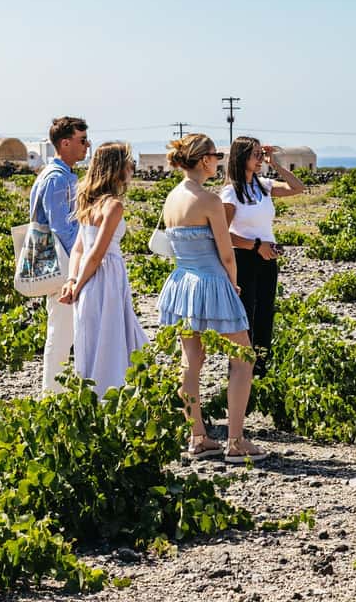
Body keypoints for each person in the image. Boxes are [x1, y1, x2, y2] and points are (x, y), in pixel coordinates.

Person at [157, 134, 266, 463]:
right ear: (203, 160)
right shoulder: (209, 200)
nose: (218, 159)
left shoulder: (172, 197)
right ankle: (235, 440)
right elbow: (227, 253)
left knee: (191, 360)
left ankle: (198, 436)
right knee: (243, 356)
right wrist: (232, 286)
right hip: (211, 281)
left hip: (182, 282)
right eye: (215, 155)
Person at [58, 142, 149, 396]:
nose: (132, 168)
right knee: (111, 336)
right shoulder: (113, 206)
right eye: (129, 162)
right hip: (106, 276)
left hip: (88, 276)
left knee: (92, 338)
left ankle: (94, 396)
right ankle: (111, 394)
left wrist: (73, 280)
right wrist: (77, 284)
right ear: (117, 168)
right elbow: (96, 253)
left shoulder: (88, 203)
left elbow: (79, 249)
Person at [221, 137, 306, 377]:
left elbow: (298, 188)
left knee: (265, 314)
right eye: (255, 154)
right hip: (244, 258)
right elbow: (223, 234)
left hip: (267, 259)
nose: (260, 159)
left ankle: (260, 370)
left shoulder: (263, 185)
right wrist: (256, 245)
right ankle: (239, 371)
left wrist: (275, 163)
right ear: (241, 158)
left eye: (261, 154)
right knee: (246, 315)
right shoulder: (230, 192)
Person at [30, 116, 89, 392]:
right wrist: (80, 266)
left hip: (58, 261)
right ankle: (53, 395)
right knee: (61, 330)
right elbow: (63, 229)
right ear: (64, 143)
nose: (86, 145)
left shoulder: (55, 175)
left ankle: (58, 392)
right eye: (81, 140)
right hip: (62, 262)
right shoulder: (57, 179)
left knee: (64, 329)